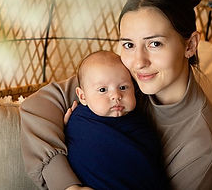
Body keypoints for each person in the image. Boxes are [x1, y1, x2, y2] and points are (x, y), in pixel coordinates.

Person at [21, 0, 212, 190]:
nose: (139, 62)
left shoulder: (204, 146)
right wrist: (67, 184)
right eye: (129, 45)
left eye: (154, 43)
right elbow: (36, 107)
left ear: (190, 45)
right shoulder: (125, 80)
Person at [65, 51, 170, 190]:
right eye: (103, 89)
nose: (116, 95)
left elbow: (149, 164)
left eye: (123, 87)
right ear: (82, 96)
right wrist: (65, 129)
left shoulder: (140, 124)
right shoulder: (78, 121)